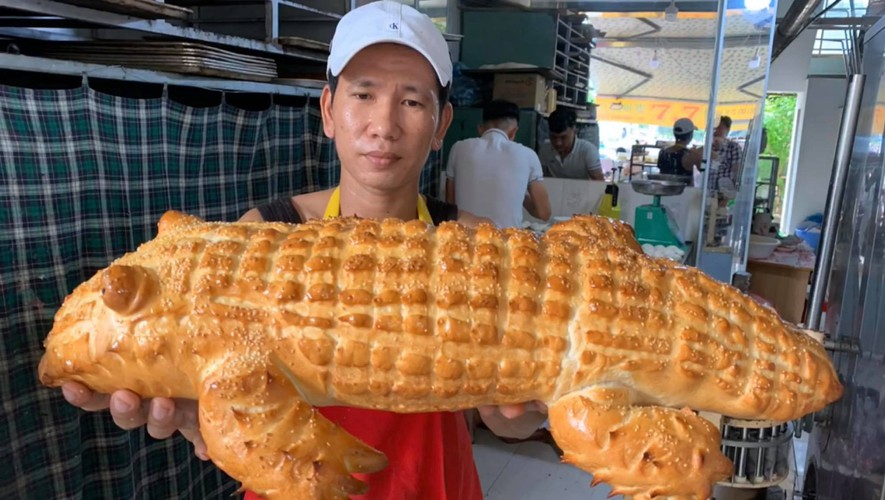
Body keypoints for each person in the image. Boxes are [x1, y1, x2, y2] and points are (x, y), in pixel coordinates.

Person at [59, 2, 549, 500]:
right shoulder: (263, 234)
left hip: (432, 482)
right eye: (363, 94)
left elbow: (505, 422)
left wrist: (517, 411)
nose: (384, 124)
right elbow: (217, 393)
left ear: (442, 123)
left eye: (412, 102)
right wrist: (197, 413)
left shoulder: (473, 246)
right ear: (328, 111)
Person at [444, 99, 551, 228]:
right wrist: (518, 194)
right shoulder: (528, 155)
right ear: (513, 132)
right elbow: (544, 213)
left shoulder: (458, 148)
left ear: (480, 129)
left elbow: (449, 208)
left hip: (465, 242)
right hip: (507, 243)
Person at [538, 106, 604, 180]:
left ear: (574, 131)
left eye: (563, 137)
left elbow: (599, 183)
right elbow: (541, 179)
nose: (558, 143)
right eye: (553, 137)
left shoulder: (588, 151)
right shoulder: (545, 150)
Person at [656, 117, 703, 185]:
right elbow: (704, 170)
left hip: (664, 189)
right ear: (690, 135)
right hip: (683, 192)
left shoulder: (663, 152)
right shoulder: (689, 155)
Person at [708, 115, 743, 189]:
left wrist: (729, 196)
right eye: (714, 128)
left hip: (725, 192)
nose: (716, 131)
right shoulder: (707, 148)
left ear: (727, 130)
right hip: (708, 191)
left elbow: (737, 173)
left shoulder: (733, 147)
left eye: (719, 128)